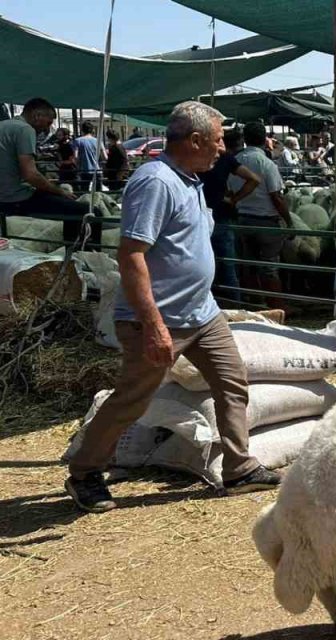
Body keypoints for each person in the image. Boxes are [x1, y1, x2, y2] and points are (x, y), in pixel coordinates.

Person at [63, 101, 281, 513]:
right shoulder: (156, 182)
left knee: (232, 381)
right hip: (161, 319)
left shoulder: (191, 180)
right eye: (217, 140)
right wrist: (153, 325)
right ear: (195, 140)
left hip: (202, 312)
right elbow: (131, 255)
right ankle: (85, 472)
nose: (222, 149)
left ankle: (239, 468)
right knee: (133, 399)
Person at [0, 97, 97, 247]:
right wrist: (59, 191)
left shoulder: (3, 126)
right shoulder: (25, 129)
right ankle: (78, 256)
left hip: (4, 196)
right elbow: (30, 174)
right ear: (37, 115)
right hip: (16, 198)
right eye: (49, 122)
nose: (48, 128)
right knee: (87, 212)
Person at [228, 123, 292, 307]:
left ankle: (255, 303)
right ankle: (277, 306)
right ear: (265, 139)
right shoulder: (266, 163)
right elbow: (276, 196)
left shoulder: (236, 162)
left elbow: (230, 191)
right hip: (266, 222)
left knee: (249, 265)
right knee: (269, 267)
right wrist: (288, 221)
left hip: (242, 220)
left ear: (245, 139)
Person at [198, 127, 260, 303]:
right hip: (221, 217)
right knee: (228, 265)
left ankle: (205, 304)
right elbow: (254, 179)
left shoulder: (194, 160)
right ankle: (235, 306)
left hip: (199, 217)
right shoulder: (226, 160)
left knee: (201, 265)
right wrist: (234, 199)